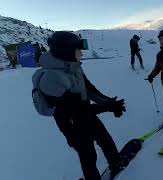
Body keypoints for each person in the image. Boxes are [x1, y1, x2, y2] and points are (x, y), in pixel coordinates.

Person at [38, 31, 127, 180]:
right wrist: (107, 107)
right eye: (78, 50)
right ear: (66, 52)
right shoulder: (51, 79)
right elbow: (75, 110)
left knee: (105, 139)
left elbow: (89, 89)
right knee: (88, 155)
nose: (82, 54)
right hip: (71, 123)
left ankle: (116, 162)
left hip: (86, 114)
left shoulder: (74, 66)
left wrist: (108, 102)